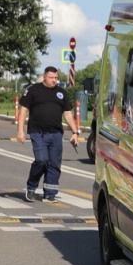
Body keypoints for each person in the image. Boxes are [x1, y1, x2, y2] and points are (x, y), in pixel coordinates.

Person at [16, 66, 81, 202]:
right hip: (38, 133)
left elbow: (67, 114)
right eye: (51, 77)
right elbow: (23, 111)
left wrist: (75, 132)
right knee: (41, 160)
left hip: (56, 134)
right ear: (44, 77)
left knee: (54, 163)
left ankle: (50, 193)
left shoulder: (61, 93)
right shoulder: (33, 90)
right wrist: (20, 131)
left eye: (56, 78)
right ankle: (31, 187)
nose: (54, 80)